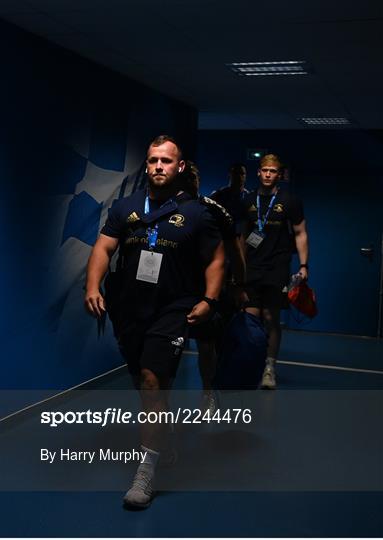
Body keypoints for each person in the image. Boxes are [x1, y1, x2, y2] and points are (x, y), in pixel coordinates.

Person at [84, 135, 225, 508]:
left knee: (152, 378)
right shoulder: (127, 207)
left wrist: (210, 299)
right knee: (142, 382)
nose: (158, 167)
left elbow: (216, 259)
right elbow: (103, 246)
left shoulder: (198, 212)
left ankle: (145, 473)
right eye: (152, 161)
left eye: (165, 161)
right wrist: (92, 285)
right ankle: (163, 437)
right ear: (146, 165)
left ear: (179, 167)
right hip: (130, 307)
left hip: (174, 307)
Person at [180, 161, 246, 412]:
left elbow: (235, 251)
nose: (190, 184)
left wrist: (240, 285)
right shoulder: (165, 210)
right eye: (186, 179)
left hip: (211, 286)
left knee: (208, 344)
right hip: (177, 285)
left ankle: (208, 391)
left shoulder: (214, 210)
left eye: (194, 179)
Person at [241, 154, 309, 389]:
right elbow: (241, 237)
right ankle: (252, 363)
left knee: (271, 319)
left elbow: (300, 233)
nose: (268, 174)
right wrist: (237, 268)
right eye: (265, 170)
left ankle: (269, 368)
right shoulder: (248, 200)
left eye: (273, 171)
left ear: (280, 175)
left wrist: (303, 266)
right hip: (252, 267)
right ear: (258, 173)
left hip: (277, 267)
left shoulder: (290, 200)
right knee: (250, 319)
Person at [210, 162, 248, 229]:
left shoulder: (249, 197)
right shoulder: (217, 195)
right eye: (236, 173)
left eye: (242, 173)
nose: (239, 176)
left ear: (245, 176)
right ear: (230, 174)